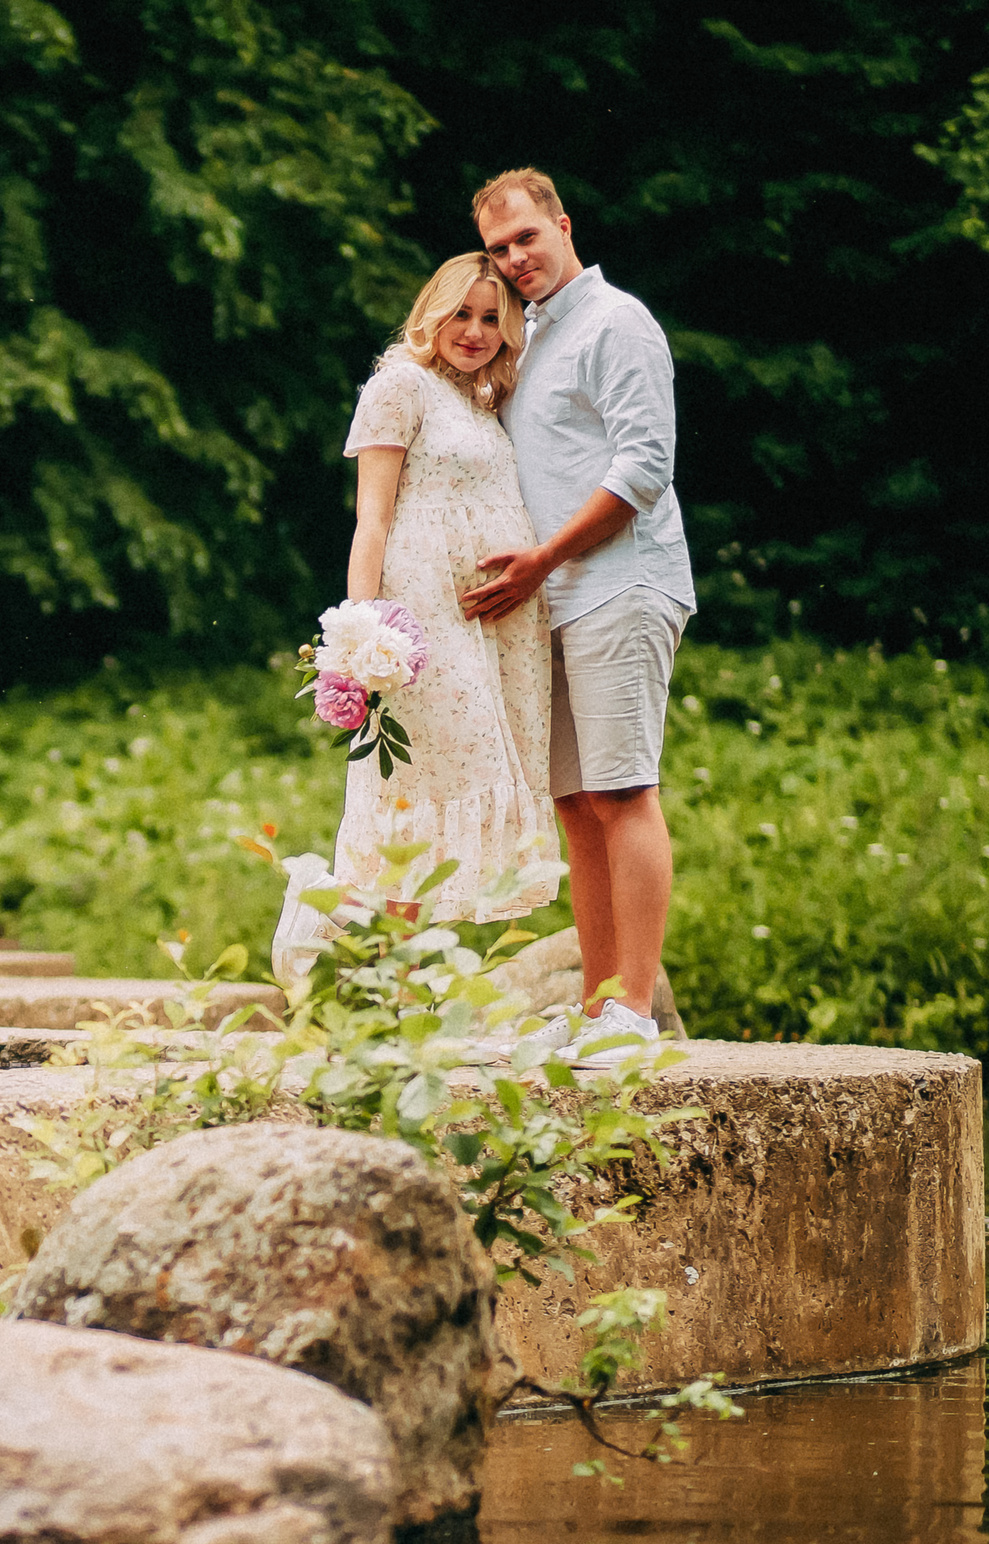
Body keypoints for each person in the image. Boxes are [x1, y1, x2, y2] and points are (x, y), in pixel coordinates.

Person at [460, 168, 696, 1059]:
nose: (515, 259)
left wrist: (544, 560)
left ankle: (634, 1007)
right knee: (576, 802)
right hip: (548, 602)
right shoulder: (530, 339)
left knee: (623, 789)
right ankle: (601, 1005)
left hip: (620, 584)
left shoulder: (615, 321)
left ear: (563, 224)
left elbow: (644, 468)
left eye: (526, 238)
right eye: (498, 249)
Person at [271, 252, 558, 984]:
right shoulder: (399, 385)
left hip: (492, 629)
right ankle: (354, 944)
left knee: (445, 792)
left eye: (492, 318)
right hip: (425, 620)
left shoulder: (482, 400)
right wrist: (362, 632)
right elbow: (372, 518)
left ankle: (390, 980)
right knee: (423, 789)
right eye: (461, 312)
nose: (474, 330)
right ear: (433, 309)